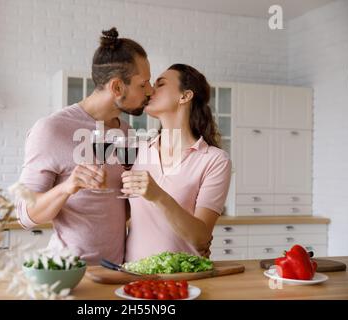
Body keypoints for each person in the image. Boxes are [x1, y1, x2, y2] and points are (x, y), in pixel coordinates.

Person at [16, 27, 153, 265]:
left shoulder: (126, 132)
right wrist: (68, 187)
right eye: (143, 84)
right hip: (69, 273)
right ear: (117, 87)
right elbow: (25, 216)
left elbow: (120, 206)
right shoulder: (52, 129)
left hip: (116, 272)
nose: (150, 91)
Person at [122, 64, 232, 262]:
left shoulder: (214, 160)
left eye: (160, 84)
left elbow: (201, 237)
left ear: (185, 96)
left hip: (182, 279)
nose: (150, 91)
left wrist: (158, 195)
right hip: (132, 274)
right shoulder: (139, 150)